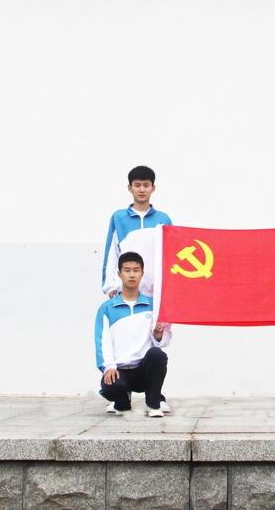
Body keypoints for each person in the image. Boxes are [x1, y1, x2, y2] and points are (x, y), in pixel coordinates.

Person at [95, 252, 172, 417]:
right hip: (120, 370)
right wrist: (108, 367)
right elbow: (102, 341)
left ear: (142, 273)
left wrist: (158, 335)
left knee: (157, 355)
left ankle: (153, 404)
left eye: (136, 270)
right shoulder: (107, 308)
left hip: (143, 371)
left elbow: (164, 341)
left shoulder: (152, 305)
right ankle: (122, 402)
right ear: (119, 274)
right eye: (127, 270)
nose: (131, 275)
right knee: (112, 388)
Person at [101, 165, 172, 297]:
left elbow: (170, 256)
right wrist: (110, 286)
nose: (142, 189)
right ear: (130, 188)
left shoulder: (163, 219)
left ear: (153, 188)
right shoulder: (119, 218)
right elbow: (111, 253)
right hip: (126, 291)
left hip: (156, 293)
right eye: (137, 185)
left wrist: (170, 287)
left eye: (146, 185)